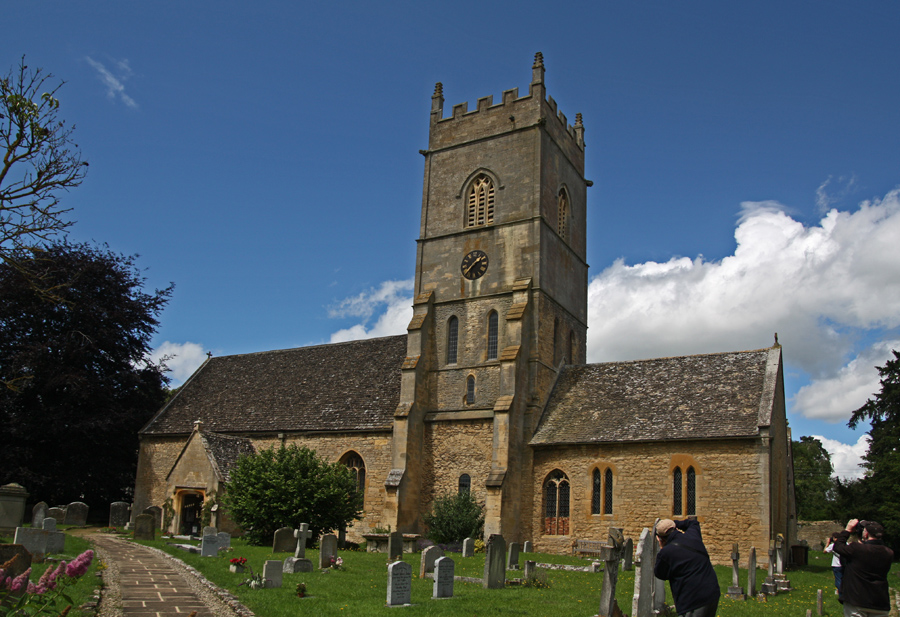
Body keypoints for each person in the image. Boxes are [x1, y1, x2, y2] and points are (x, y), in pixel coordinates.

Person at [654, 518, 720, 617]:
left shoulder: (666, 553)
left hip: (692, 600)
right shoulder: (693, 535)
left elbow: (660, 573)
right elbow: (693, 522)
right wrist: (674, 523)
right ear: (676, 529)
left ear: (660, 538)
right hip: (712, 593)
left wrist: (663, 547)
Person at [832, 519, 894, 617]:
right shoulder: (888, 552)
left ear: (866, 534)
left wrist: (847, 530)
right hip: (879, 601)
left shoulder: (857, 549)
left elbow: (838, 547)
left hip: (857, 599)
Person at [824, 531, 844, 602]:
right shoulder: (845, 544)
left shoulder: (833, 545)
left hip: (836, 565)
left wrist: (827, 543)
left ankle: (841, 594)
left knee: (838, 581)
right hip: (844, 564)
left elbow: (825, 551)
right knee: (843, 579)